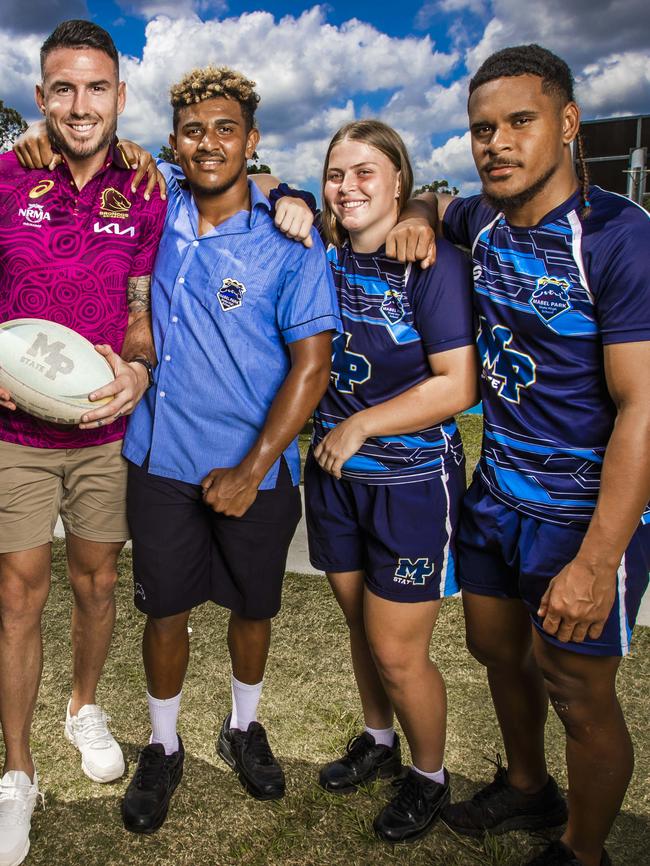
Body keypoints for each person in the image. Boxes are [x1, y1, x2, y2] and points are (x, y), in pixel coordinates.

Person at [389, 44, 650, 866]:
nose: (494, 143)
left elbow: (645, 405)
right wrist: (420, 216)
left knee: (579, 691)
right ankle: (530, 788)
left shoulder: (619, 237)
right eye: (480, 129)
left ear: (567, 124)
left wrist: (595, 558)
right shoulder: (484, 219)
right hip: (496, 495)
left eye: (518, 122)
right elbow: (436, 209)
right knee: (497, 653)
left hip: (580, 516)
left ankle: (584, 849)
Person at [115, 65, 340, 834]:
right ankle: (163, 743)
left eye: (225, 128)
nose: (208, 142)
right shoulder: (159, 209)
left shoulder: (289, 238)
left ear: (251, 140)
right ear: (175, 141)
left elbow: (313, 364)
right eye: (193, 129)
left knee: (253, 607)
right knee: (166, 611)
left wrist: (251, 469)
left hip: (256, 469)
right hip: (162, 461)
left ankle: (244, 727)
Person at [0, 20, 167, 866]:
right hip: (12, 433)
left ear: (119, 96)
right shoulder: (4, 177)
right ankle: (17, 773)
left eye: (96, 86)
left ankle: (83, 707)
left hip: (107, 427)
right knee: (19, 596)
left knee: (98, 582)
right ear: (40, 97)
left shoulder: (144, 188)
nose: (79, 104)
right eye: (62, 87)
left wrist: (136, 373)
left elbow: (142, 308)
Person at [303, 120, 477, 843]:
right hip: (335, 479)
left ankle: (429, 777)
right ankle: (379, 739)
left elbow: (458, 384)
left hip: (410, 484)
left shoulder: (432, 264)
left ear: (400, 182)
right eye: (336, 173)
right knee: (359, 627)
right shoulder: (320, 253)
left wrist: (364, 423)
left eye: (365, 172)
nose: (347, 186)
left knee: (399, 650)